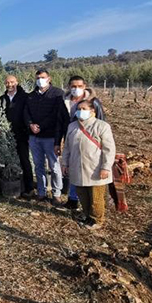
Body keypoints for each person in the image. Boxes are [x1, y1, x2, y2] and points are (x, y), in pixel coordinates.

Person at [61, 98, 116, 230]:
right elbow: (67, 147)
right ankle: (87, 216)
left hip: (95, 169)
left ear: (93, 111)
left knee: (96, 197)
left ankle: (97, 220)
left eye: (84, 109)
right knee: (82, 195)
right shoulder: (72, 126)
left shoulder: (101, 126)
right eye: (78, 109)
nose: (80, 112)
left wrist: (105, 167)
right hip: (77, 167)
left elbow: (109, 149)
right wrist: (64, 163)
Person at [55, 76, 105, 210]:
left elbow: (101, 123)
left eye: (79, 86)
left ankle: (92, 205)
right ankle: (73, 200)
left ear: (85, 86)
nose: (76, 89)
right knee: (73, 170)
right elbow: (59, 123)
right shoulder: (64, 102)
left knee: (89, 171)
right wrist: (57, 142)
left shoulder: (93, 102)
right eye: (73, 86)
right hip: (71, 140)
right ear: (69, 87)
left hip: (90, 143)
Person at [23, 69, 65, 206]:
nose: (40, 80)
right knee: (38, 165)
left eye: (43, 77)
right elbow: (26, 113)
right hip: (34, 137)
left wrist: (40, 126)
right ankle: (41, 192)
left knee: (54, 165)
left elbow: (56, 115)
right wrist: (30, 125)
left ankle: (56, 193)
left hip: (50, 136)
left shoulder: (57, 94)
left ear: (49, 78)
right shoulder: (31, 96)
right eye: (38, 78)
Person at [0, 75, 35, 196]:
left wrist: (28, 133)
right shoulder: (2, 99)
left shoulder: (25, 97)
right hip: (6, 135)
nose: (10, 84)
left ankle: (29, 187)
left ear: (17, 82)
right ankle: (10, 183)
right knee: (7, 160)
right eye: (7, 82)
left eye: (12, 82)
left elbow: (29, 115)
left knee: (24, 159)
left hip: (21, 134)